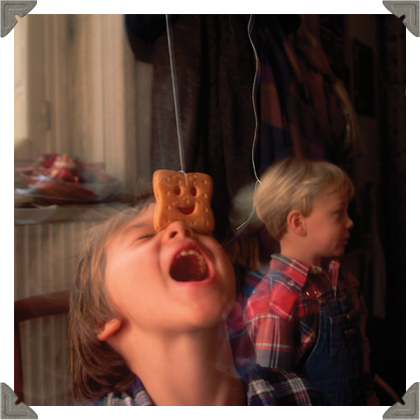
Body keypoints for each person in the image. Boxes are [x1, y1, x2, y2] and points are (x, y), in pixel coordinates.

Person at [69, 198, 330, 406]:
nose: (181, 228)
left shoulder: (300, 398)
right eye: (145, 235)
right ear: (101, 318)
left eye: (197, 228)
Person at [244, 157, 379, 405]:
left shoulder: (345, 282)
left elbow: (363, 363)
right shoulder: (275, 303)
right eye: (339, 213)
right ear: (298, 222)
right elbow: (272, 395)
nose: (350, 222)